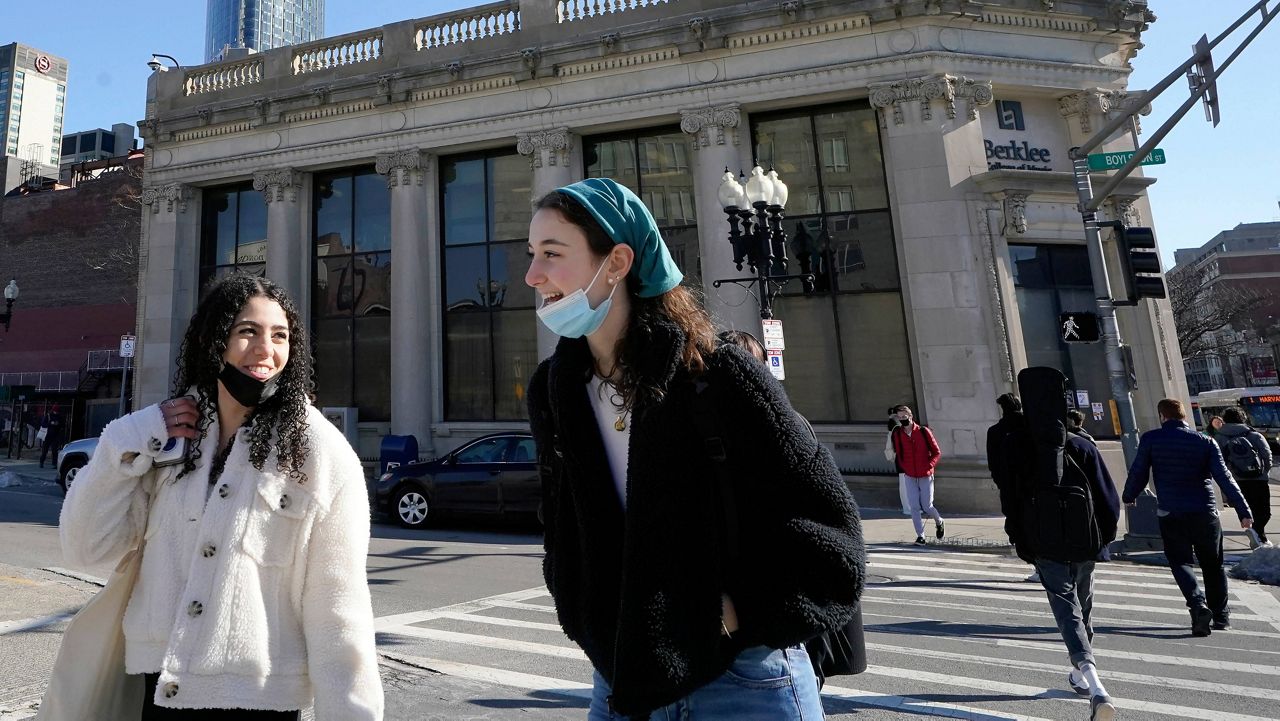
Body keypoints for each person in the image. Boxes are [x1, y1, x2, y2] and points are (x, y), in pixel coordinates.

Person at [525, 178, 864, 720]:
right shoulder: (555, 390)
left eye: (552, 254)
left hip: (744, 678)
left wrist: (737, 614)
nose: (532, 275)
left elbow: (830, 532)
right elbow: (563, 521)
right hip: (622, 678)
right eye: (531, 255)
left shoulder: (719, 376)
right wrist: (583, 610)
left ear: (616, 262)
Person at [58, 273, 383, 719]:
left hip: (256, 702)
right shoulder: (169, 439)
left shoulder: (319, 452)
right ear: (215, 340)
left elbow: (339, 612)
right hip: (159, 690)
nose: (266, 349)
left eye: (280, 336)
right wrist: (122, 442)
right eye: (247, 331)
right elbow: (85, 548)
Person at [1001, 368, 1120, 721]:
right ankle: (1081, 675)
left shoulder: (1019, 449)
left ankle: (1094, 683)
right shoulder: (1082, 445)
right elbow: (1108, 500)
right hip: (1085, 542)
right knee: (1082, 607)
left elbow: (1012, 501)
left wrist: (1021, 541)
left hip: (1044, 544)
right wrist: (1104, 538)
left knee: (1067, 610)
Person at [1123, 398, 1253, 636]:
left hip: (1171, 511)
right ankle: (1221, 616)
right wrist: (1243, 510)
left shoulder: (1151, 439)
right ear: (1184, 417)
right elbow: (1224, 478)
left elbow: (1139, 470)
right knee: (1213, 564)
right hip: (1205, 511)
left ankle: (1197, 604)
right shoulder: (1206, 441)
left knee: (1180, 561)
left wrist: (1129, 495)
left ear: (1162, 416)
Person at [986, 393, 1040, 583]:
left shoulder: (996, 432)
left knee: (1019, 525)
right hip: (1033, 486)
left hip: (1012, 488)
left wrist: (1002, 482)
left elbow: (993, 464)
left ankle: (1037, 564)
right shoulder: (1030, 427)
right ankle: (1043, 564)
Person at [1213, 407, 1273, 548]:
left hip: (1236, 480)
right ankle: (1259, 533)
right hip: (1258, 479)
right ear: (1243, 418)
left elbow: (1218, 461)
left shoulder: (1219, 437)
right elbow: (1267, 455)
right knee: (1264, 511)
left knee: (1246, 508)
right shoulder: (1253, 434)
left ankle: (1254, 531)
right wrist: (1264, 473)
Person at [885, 404, 944, 544]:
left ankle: (939, 521)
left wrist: (929, 465)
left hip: (925, 474)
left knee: (927, 505)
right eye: (899, 418)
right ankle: (920, 535)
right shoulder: (898, 434)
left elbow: (937, 452)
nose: (902, 420)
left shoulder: (924, 431)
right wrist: (905, 467)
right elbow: (899, 453)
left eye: (904, 417)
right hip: (910, 475)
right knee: (914, 507)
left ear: (910, 416)